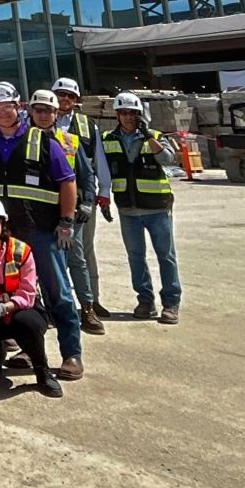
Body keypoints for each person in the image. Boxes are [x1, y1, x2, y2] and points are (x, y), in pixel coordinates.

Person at [0, 83, 84, 381]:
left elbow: (68, 181)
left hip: (42, 231)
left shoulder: (44, 140)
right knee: (18, 294)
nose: (2, 112)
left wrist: (66, 221)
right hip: (4, 236)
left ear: (18, 107)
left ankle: (71, 353)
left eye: (7, 106)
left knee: (58, 292)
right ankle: (30, 348)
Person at [0, 192, 63, 397]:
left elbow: (27, 294)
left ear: (3, 223)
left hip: (19, 310)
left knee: (28, 323)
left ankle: (41, 370)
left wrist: (2, 308)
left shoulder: (21, 250)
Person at [104, 91, 181, 325]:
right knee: (135, 257)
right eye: (124, 113)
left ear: (140, 115)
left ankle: (171, 303)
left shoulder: (155, 136)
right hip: (128, 209)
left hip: (157, 208)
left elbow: (168, 159)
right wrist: (103, 199)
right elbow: (102, 171)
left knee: (165, 256)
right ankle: (145, 300)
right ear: (117, 115)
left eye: (133, 113)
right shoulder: (107, 139)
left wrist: (148, 136)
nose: (128, 117)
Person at [37, 86, 105, 337]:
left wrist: (87, 201)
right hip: (42, 213)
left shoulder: (69, 141)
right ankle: (52, 310)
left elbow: (86, 175)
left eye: (49, 111)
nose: (44, 116)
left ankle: (86, 308)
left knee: (77, 260)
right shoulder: (27, 141)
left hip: (70, 213)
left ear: (57, 114)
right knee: (46, 264)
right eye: (39, 110)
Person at [51, 77, 113, 325]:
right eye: (60, 94)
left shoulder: (87, 126)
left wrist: (103, 192)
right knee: (56, 252)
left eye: (69, 95)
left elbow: (98, 161)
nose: (65, 99)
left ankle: (92, 300)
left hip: (82, 198)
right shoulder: (40, 121)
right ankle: (58, 303)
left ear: (76, 100)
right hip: (53, 196)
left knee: (85, 250)